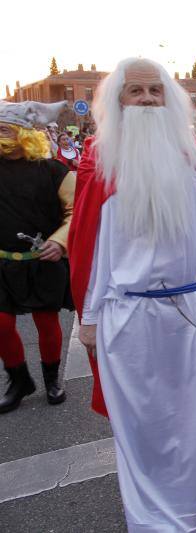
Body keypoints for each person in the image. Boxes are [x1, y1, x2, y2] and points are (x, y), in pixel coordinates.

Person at [68, 57, 196, 531]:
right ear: (119, 101)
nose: (148, 100)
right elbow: (93, 250)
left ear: (169, 99)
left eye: (156, 90)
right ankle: (155, 519)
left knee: (194, 420)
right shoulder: (99, 160)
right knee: (144, 428)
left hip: (195, 309)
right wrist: (88, 319)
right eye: (137, 92)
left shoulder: (194, 155)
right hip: (130, 318)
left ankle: (192, 495)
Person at [0, 100, 71, 413]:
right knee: (1, 324)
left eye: (2, 129)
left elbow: (77, 213)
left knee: (47, 322)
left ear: (22, 133)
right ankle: (18, 380)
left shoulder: (54, 170)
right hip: (3, 263)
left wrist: (60, 242)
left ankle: (52, 379)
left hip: (44, 261)